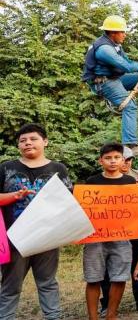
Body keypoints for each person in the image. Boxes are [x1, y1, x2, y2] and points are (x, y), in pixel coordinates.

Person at [0, 123, 72, 320]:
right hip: (14, 238)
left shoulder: (58, 169)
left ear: (45, 142)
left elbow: (69, 202)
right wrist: (14, 196)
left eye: (33, 139)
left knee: (48, 283)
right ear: (18, 146)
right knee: (10, 286)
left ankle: (53, 317)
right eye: (23, 141)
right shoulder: (6, 168)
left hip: (47, 238)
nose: (28, 143)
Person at [81, 15, 138, 154]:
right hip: (104, 83)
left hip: (113, 79)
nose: (125, 34)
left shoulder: (115, 46)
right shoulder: (105, 50)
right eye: (122, 32)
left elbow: (128, 62)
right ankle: (130, 146)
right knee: (130, 105)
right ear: (112, 32)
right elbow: (127, 66)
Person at [83, 143, 138, 320]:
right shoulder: (92, 182)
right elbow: (84, 208)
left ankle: (111, 315)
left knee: (120, 276)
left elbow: (136, 207)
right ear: (101, 161)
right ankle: (93, 317)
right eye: (108, 158)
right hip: (95, 238)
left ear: (123, 160)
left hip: (121, 237)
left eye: (117, 157)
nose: (113, 161)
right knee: (93, 278)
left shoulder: (130, 181)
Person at [100, 146, 138, 315]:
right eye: (124, 159)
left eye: (129, 160)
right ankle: (107, 303)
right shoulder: (101, 179)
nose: (126, 163)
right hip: (110, 229)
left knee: (137, 262)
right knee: (108, 266)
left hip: (135, 228)